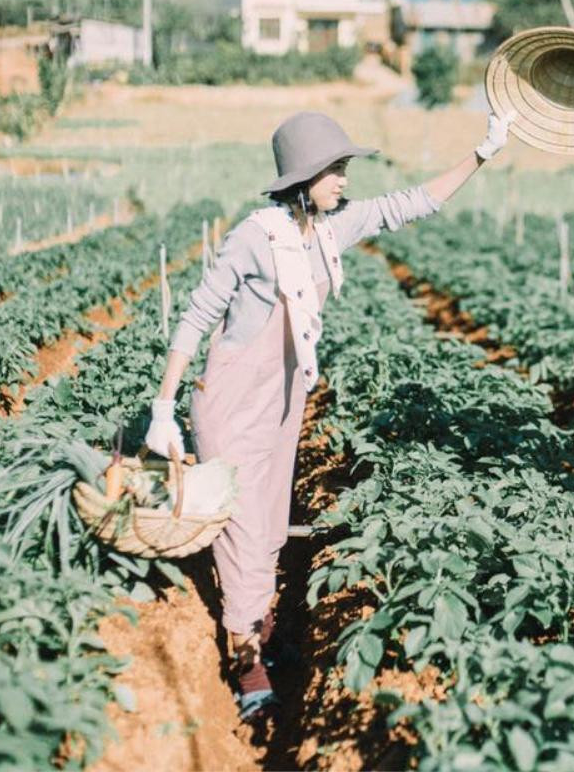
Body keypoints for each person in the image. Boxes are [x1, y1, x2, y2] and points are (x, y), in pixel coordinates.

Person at [145, 110, 515, 721]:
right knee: (240, 527)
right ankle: (245, 655)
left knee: (267, 523)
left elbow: (414, 203)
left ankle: (259, 628)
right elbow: (196, 316)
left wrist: (483, 153)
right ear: (306, 176)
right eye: (336, 170)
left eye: (344, 169)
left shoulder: (330, 230)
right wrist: (164, 406)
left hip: (285, 397)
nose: (345, 180)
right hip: (234, 398)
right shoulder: (254, 237)